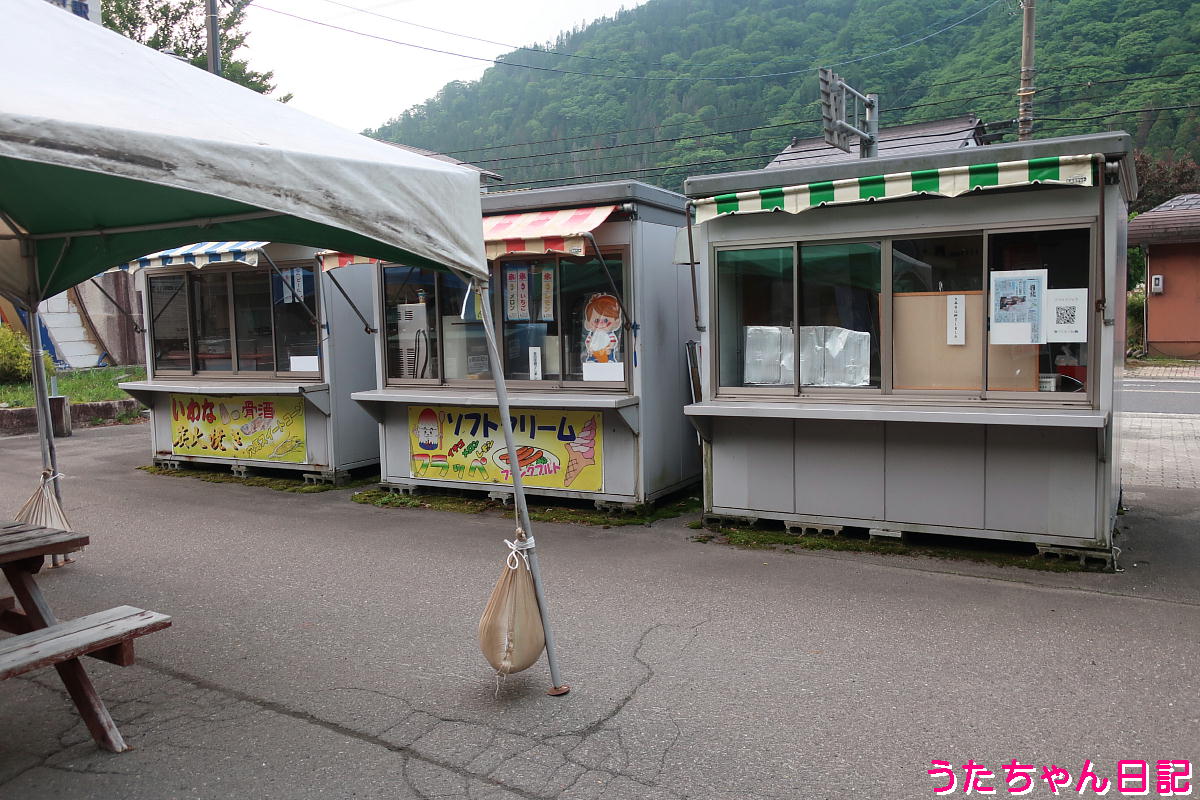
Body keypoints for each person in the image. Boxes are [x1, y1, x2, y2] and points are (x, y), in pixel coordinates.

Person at [582, 293, 621, 364]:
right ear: (588, 323)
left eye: (606, 320)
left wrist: (610, 347)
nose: (601, 323)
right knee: (593, 357)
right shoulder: (591, 335)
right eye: (596, 320)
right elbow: (588, 342)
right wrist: (589, 348)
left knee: (609, 356)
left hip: (606, 352)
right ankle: (592, 361)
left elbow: (613, 341)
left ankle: (610, 360)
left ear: (616, 322)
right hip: (595, 352)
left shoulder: (610, 334)